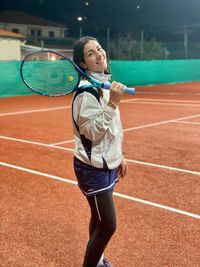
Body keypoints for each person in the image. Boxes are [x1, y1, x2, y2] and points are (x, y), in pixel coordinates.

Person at [72, 36, 128, 267]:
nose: (99, 54)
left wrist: (119, 155)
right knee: (108, 225)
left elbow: (112, 130)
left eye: (99, 48)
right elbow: (92, 133)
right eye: (91, 53)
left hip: (106, 163)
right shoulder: (86, 93)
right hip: (92, 168)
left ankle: (98, 261)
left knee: (99, 218)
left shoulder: (103, 85)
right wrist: (113, 103)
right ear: (83, 64)